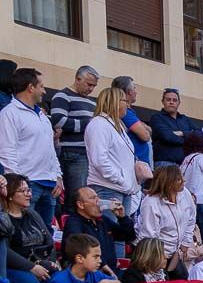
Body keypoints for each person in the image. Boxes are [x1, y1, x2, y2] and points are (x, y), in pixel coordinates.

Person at [0, 68, 63, 228]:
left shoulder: (42, 116)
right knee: (23, 233)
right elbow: (7, 151)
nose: (44, 91)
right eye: (41, 86)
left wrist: (58, 175)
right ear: (30, 87)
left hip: (50, 186)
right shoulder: (9, 114)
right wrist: (16, 185)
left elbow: (50, 150)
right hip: (28, 186)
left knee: (45, 234)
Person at [137, 164, 203, 279]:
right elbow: (149, 236)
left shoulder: (185, 193)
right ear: (168, 181)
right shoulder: (151, 203)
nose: (184, 180)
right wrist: (159, 258)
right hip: (155, 255)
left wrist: (186, 242)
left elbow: (191, 218)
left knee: (182, 279)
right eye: (179, 179)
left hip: (174, 253)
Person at [84, 87, 138, 220]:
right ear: (115, 102)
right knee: (110, 234)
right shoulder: (99, 124)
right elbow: (99, 159)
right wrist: (119, 178)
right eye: (125, 101)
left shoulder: (117, 126)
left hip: (122, 189)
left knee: (121, 235)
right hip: (106, 188)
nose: (128, 104)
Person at [50, 65, 99, 202]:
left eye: (94, 86)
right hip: (70, 151)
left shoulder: (92, 102)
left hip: (85, 152)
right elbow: (59, 121)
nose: (91, 89)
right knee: (77, 197)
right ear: (78, 79)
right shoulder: (62, 96)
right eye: (89, 84)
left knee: (81, 196)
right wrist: (88, 124)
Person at [61, 186, 135, 278]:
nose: (98, 201)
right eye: (93, 198)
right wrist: (103, 264)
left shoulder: (102, 220)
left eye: (98, 197)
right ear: (81, 205)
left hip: (112, 271)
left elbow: (128, 236)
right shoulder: (74, 222)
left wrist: (122, 218)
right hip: (90, 274)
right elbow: (77, 246)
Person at [3, 173, 57, 283]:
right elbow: (5, 251)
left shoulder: (33, 214)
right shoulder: (3, 219)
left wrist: (50, 262)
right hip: (16, 267)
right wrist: (31, 267)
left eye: (29, 190)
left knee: (60, 280)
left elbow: (49, 241)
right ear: (10, 195)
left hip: (40, 262)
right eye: (23, 191)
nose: (28, 195)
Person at [49, 233, 121, 283]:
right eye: (96, 257)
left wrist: (107, 282)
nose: (100, 261)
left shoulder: (95, 274)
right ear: (80, 258)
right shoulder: (58, 281)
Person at [149, 88, 197, 166]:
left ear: (179, 103)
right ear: (162, 101)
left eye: (174, 100)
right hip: (164, 164)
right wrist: (188, 139)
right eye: (168, 100)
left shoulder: (185, 119)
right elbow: (167, 137)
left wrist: (182, 133)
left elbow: (199, 134)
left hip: (184, 165)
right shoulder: (157, 118)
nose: (171, 102)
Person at [110, 77, 151, 166]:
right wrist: (145, 127)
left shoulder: (126, 112)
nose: (136, 92)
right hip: (136, 165)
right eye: (134, 89)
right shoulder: (126, 114)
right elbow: (145, 136)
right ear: (129, 92)